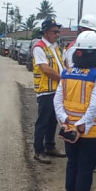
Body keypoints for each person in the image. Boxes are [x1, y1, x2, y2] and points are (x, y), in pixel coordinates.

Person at [54, 31, 96, 191]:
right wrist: (82, 125)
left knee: (73, 164)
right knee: (85, 167)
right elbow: (94, 105)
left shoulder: (67, 72)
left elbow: (57, 100)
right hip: (91, 131)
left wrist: (66, 121)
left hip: (69, 129)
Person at [32, 19, 66, 163]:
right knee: (43, 122)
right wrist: (63, 79)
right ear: (45, 32)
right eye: (54, 31)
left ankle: (50, 146)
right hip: (45, 91)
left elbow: (61, 64)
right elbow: (45, 69)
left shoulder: (54, 47)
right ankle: (38, 151)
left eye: (58, 31)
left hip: (56, 90)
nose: (57, 34)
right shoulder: (39, 47)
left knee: (53, 121)